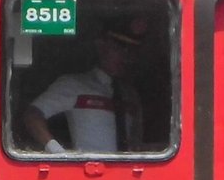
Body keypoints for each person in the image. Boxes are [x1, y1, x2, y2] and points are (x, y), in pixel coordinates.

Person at [23, 19, 145, 154]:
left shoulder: (130, 94)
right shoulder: (74, 85)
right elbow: (33, 115)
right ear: (101, 46)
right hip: (88, 170)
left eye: (131, 51)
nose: (125, 56)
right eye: (118, 48)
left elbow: (136, 140)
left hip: (127, 171)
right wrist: (57, 151)